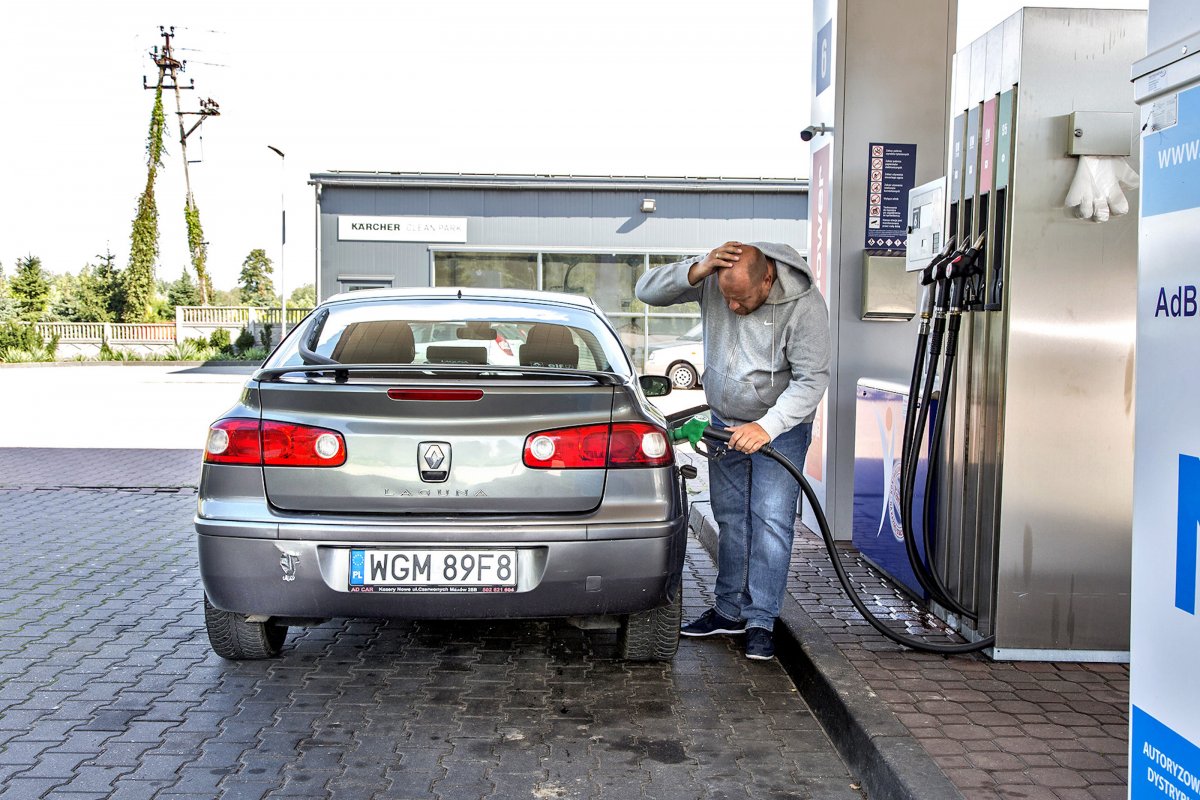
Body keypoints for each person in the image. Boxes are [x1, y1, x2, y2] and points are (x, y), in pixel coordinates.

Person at [635, 241, 830, 660]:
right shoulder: (714, 278)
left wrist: (767, 426)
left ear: (767, 278)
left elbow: (812, 380)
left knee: (771, 520)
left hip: (781, 427)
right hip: (725, 423)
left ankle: (761, 619)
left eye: (741, 299)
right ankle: (728, 609)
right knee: (730, 516)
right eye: (726, 298)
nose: (733, 308)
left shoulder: (804, 305)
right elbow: (646, 291)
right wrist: (698, 268)